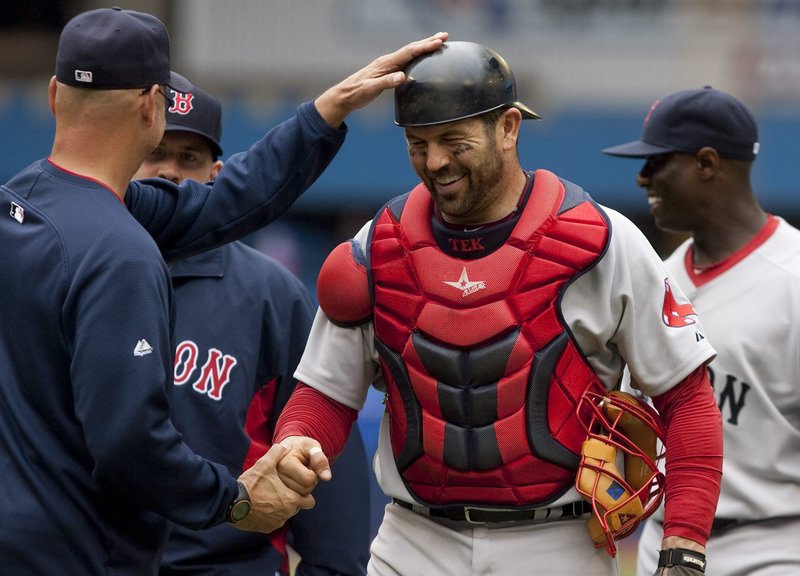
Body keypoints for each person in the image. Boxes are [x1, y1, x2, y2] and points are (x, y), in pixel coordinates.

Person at [0, 6, 447, 575]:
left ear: (54, 94)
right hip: (76, 554)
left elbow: (222, 200)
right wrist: (233, 500)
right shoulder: (121, 250)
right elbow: (129, 445)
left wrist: (325, 112)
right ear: (151, 108)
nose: (171, 169)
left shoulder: (21, 205)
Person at [271, 41, 723, 576]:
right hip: (414, 539)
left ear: (508, 128)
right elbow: (324, 393)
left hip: (558, 541)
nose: (435, 161)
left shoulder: (603, 240)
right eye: (418, 144)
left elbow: (688, 400)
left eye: (452, 141)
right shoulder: (381, 246)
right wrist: (295, 443)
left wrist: (684, 547)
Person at [133, 83, 371, 576]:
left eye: (189, 156)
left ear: (217, 176)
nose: (169, 170)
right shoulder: (79, 270)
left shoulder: (271, 295)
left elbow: (324, 450)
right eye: (154, 152)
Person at [603, 87, 800, 575]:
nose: (642, 176)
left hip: (774, 546)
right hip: (662, 544)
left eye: (657, 161)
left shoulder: (793, 277)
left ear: (707, 164)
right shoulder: (654, 278)